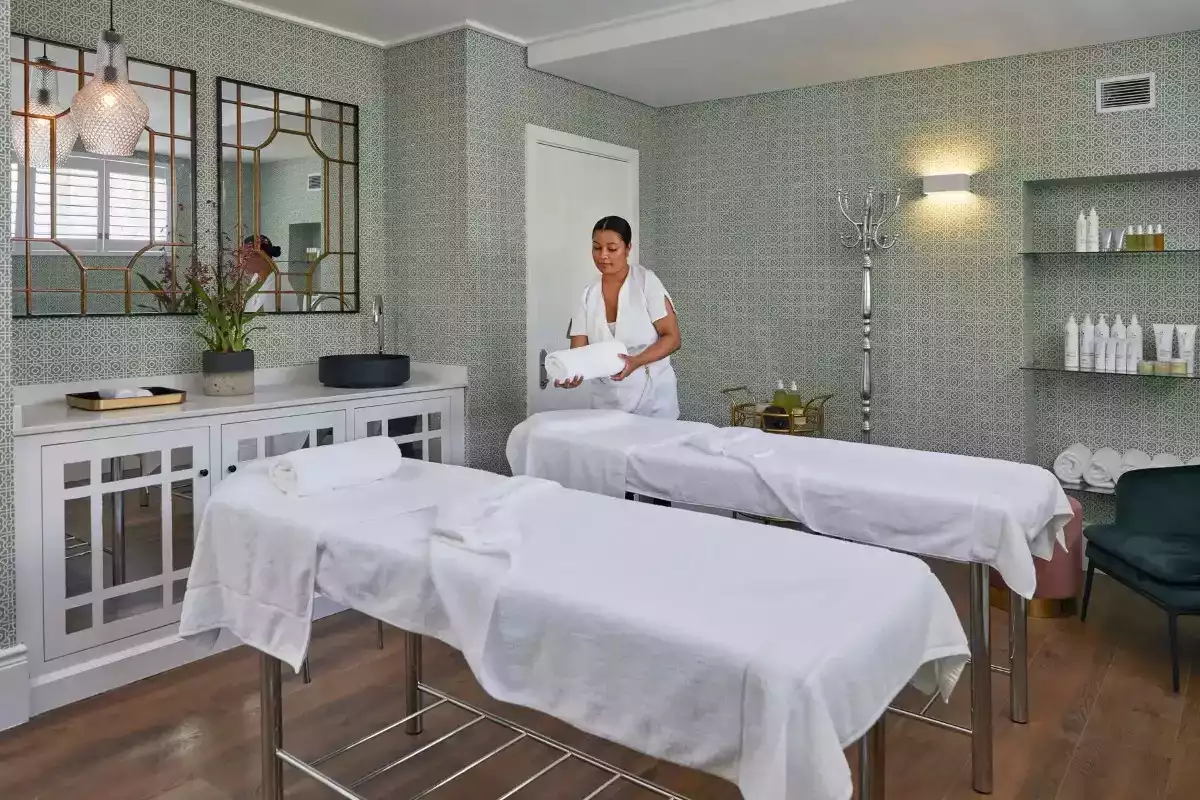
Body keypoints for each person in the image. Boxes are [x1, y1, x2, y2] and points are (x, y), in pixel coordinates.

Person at [555, 215, 681, 419]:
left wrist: (636, 361)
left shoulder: (646, 283)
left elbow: (672, 338)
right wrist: (570, 371)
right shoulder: (588, 293)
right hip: (607, 402)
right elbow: (579, 351)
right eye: (597, 248)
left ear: (628, 248)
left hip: (653, 399)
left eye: (612, 249)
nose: (603, 255)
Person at [238, 234, 280, 312]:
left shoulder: (276, 288)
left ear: (261, 255)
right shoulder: (257, 277)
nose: (241, 264)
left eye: (245, 258)